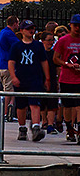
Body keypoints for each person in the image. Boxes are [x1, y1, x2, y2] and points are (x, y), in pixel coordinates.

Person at [9, 19, 50, 141]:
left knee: (34, 103)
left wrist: (47, 78)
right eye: (28, 29)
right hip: (21, 78)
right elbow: (11, 62)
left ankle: (36, 127)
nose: (31, 31)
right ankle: (22, 129)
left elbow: (44, 62)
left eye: (32, 28)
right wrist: (13, 77)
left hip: (35, 79)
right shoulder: (16, 46)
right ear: (21, 31)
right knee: (21, 106)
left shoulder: (38, 45)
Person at [53, 13, 80, 142]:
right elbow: (55, 58)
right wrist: (67, 64)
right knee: (68, 105)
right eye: (75, 26)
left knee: (79, 105)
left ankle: (79, 129)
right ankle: (69, 128)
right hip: (67, 78)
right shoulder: (63, 40)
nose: (77, 28)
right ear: (71, 25)